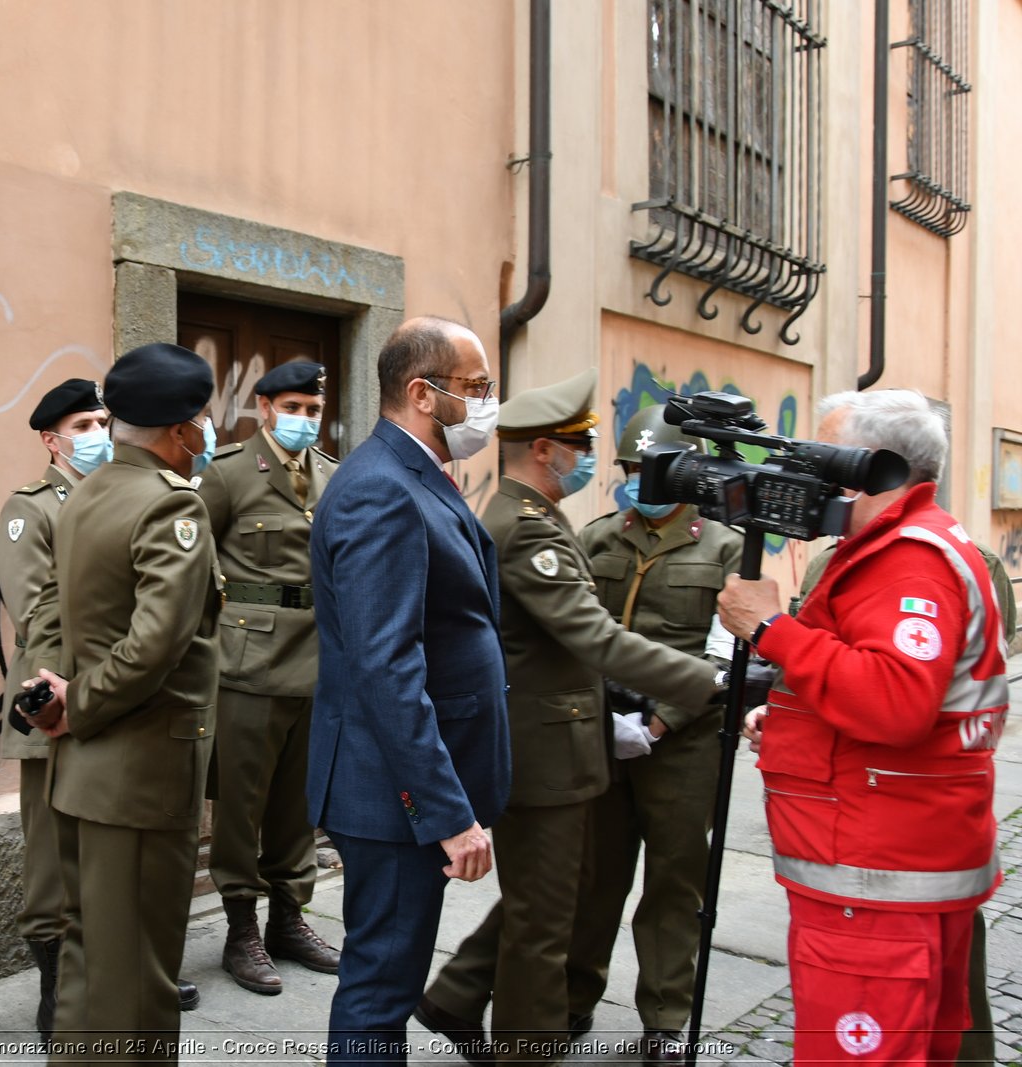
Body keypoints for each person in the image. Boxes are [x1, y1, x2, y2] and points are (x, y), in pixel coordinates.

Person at [415, 366, 724, 1066]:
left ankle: (457, 996)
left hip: (559, 742)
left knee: (545, 899)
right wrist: (709, 682)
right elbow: (596, 637)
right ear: (544, 451)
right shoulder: (526, 528)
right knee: (543, 923)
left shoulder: (537, 518)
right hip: (544, 752)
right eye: (579, 444)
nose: (589, 459)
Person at [721, 389, 1009, 1066]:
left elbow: (894, 702)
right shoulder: (911, 543)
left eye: (822, 452)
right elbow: (893, 686)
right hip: (896, 864)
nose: (809, 470)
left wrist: (771, 629)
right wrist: (794, 718)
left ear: (871, 467)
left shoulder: (909, 556)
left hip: (876, 882)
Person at [305, 316, 510, 1064]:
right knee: (379, 990)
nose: (489, 404)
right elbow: (386, 668)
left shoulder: (414, 473)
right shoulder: (381, 491)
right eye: (478, 388)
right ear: (423, 393)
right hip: (393, 795)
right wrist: (447, 815)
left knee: (387, 978)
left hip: (407, 785)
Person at [21, 342, 222, 1065]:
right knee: (137, 975)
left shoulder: (86, 495)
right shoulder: (171, 508)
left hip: (83, 775)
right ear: (181, 428)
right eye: (203, 420)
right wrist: (86, 704)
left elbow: (63, 619)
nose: (207, 434)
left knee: (89, 962)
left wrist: (69, 707)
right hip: (139, 777)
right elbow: (155, 644)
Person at [566, 405, 742, 1066]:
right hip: (601, 733)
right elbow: (568, 631)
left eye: (658, 467)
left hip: (685, 742)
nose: (643, 479)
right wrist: (602, 714)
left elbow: (728, 657)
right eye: (635, 467)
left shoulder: (724, 547)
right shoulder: (598, 538)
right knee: (593, 875)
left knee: (674, 882)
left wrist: (661, 717)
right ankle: (573, 994)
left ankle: (666, 1016)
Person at [197, 360, 341, 995]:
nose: (304, 420)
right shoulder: (226, 473)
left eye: (312, 411)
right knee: (241, 808)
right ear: (263, 407)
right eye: (292, 407)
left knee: (298, 804)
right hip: (246, 666)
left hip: (316, 664)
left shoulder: (334, 477)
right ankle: (241, 930)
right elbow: (193, 562)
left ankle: (289, 918)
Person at [0, 378, 107, 1038]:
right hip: (55, 700)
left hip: (109, 700)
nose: (98, 432)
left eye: (103, 420)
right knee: (53, 853)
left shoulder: (121, 497)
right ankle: (55, 984)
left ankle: (116, 970)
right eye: (84, 423)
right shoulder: (29, 509)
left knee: (107, 845)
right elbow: (35, 611)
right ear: (52, 439)